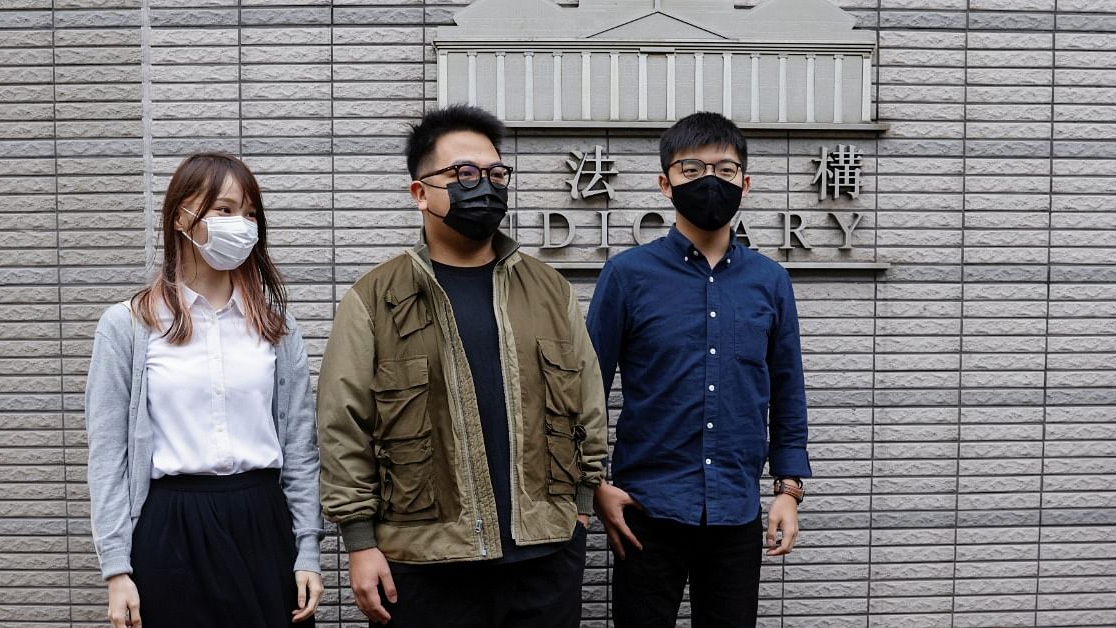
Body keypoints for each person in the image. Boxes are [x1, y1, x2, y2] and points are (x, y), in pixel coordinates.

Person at [316, 104, 607, 628]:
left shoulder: (548, 289)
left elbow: (588, 400)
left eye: (496, 174)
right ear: (419, 193)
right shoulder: (374, 296)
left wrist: (582, 503)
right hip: (424, 560)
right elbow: (343, 427)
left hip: (544, 553)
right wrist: (358, 542)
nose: (485, 186)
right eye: (464, 174)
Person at [586, 112, 811, 628]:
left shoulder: (770, 281)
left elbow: (786, 387)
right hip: (644, 511)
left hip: (735, 509)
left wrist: (788, 490)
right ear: (665, 184)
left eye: (725, 170)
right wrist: (592, 484)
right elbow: (586, 389)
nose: (710, 180)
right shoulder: (626, 276)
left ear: (745, 184)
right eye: (691, 170)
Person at [85, 152, 324, 627]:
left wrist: (308, 551)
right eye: (225, 210)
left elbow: (301, 446)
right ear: (181, 217)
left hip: (263, 522)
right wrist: (117, 570)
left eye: (251, 213)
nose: (242, 224)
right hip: (171, 526)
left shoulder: (276, 327)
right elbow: (107, 454)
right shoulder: (128, 325)